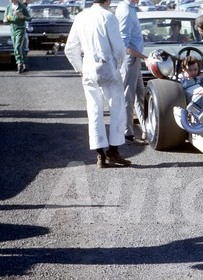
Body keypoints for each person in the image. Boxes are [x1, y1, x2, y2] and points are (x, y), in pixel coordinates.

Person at [65, 0, 131, 168]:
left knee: (94, 111)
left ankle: (100, 155)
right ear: (107, 1)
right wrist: (118, 67)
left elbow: (70, 48)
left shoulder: (80, 17)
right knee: (117, 109)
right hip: (108, 68)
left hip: (88, 69)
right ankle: (113, 151)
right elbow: (119, 50)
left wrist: (80, 69)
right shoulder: (109, 17)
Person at [115, 0, 149, 145]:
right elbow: (124, 43)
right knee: (128, 96)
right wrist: (144, 57)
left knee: (140, 94)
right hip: (130, 59)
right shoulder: (126, 11)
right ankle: (127, 132)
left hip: (135, 59)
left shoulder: (131, 8)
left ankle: (146, 128)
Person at [3, 0, 31, 74]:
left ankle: (19, 64)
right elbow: (5, 19)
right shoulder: (8, 7)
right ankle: (26, 64)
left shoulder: (22, 6)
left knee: (17, 47)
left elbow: (29, 18)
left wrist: (22, 16)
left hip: (20, 28)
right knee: (19, 48)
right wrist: (6, 19)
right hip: (12, 29)